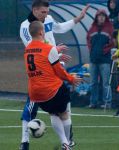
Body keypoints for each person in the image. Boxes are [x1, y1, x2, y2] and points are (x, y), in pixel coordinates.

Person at [19, 0, 89, 149]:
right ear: (34, 10)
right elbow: (32, 47)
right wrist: (54, 51)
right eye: (43, 12)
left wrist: (77, 19)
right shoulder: (26, 26)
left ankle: (67, 141)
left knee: (60, 109)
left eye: (47, 11)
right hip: (41, 71)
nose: (46, 14)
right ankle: (24, 141)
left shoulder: (48, 19)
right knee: (31, 107)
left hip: (53, 64)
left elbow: (60, 27)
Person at [87, 9, 114, 108]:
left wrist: (104, 50)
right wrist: (91, 50)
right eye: (99, 16)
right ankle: (93, 102)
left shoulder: (109, 28)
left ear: (105, 17)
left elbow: (112, 43)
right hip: (93, 59)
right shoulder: (92, 28)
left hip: (105, 60)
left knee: (105, 83)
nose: (101, 17)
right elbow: (88, 41)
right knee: (93, 83)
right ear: (97, 17)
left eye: (103, 16)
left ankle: (107, 103)